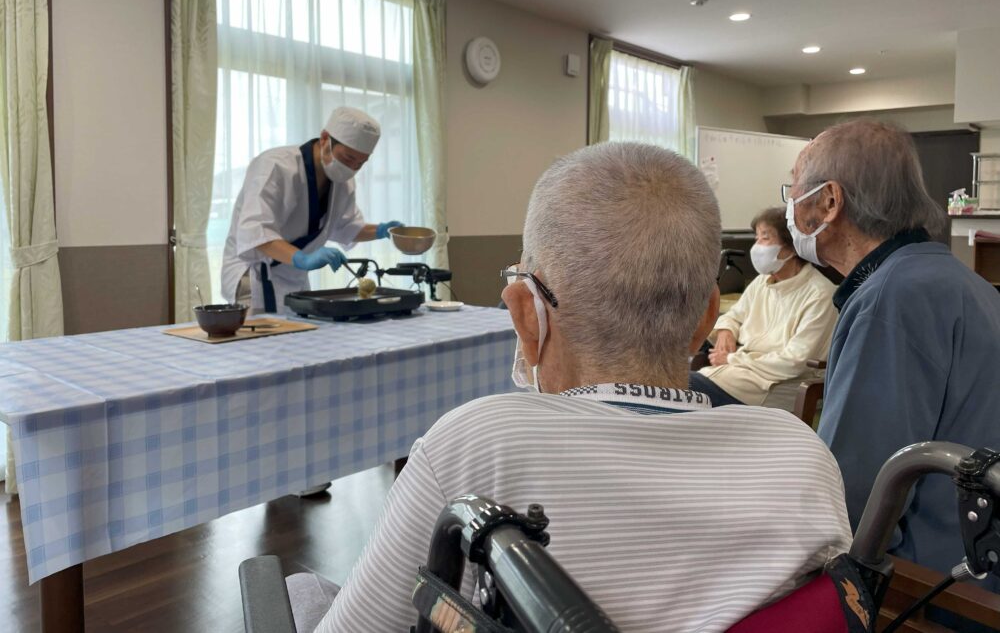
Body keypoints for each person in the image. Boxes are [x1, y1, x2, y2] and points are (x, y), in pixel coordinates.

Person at [310, 142, 851, 632]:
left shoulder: (476, 445)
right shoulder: (802, 455)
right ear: (707, 316)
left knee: (302, 590)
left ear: (526, 314)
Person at [785, 118, 1000, 589]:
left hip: (934, 581)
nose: (790, 206)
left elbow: (852, 499)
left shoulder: (892, 298)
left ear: (829, 201)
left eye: (793, 190)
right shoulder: (957, 281)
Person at [221, 107, 403, 313]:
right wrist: (303, 258)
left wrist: (383, 231)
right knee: (261, 344)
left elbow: (347, 227)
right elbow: (256, 232)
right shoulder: (275, 166)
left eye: (361, 163)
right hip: (255, 274)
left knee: (300, 341)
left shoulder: (342, 180)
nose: (352, 168)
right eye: (348, 158)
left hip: (294, 276)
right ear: (325, 138)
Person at [696, 207, 838, 406]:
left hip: (775, 385)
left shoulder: (820, 294)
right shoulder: (762, 282)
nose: (756, 247)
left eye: (765, 238)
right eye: (756, 238)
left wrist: (732, 359)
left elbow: (794, 362)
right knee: (680, 388)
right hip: (739, 375)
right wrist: (726, 330)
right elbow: (734, 315)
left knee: (686, 391)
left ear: (790, 246)